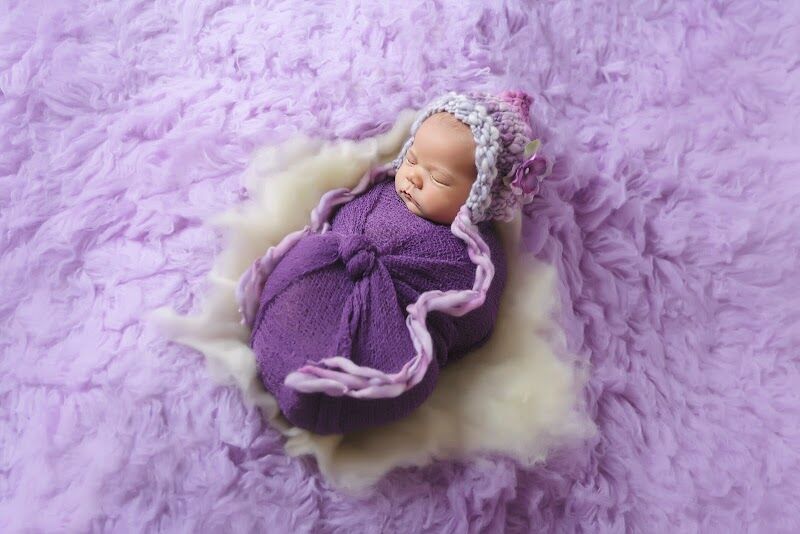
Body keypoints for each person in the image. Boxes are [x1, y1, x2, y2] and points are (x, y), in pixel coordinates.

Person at [236, 90, 550, 435]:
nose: (414, 177)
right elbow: (341, 220)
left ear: (481, 195)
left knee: (380, 359)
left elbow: (476, 319)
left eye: (439, 178)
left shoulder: (472, 257)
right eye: (412, 159)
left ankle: (325, 395)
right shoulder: (381, 191)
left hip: (391, 315)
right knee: (297, 290)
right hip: (332, 267)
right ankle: (279, 345)